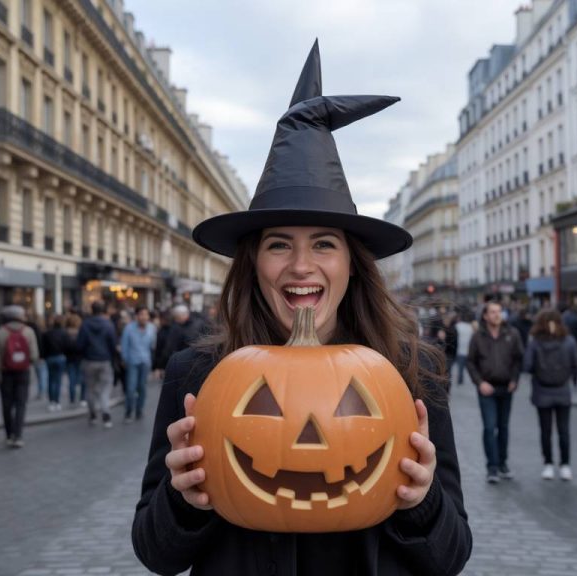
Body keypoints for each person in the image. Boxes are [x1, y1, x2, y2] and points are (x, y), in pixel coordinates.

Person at [132, 41, 472, 575]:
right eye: (278, 244)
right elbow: (155, 553)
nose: (300, 265)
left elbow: (450, 558)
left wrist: (422, 500)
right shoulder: (196, 376)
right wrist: (182, 499)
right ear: (254, 264)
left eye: (323, 244)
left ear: (352, 263)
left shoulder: (412, 373)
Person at [466, 300, 523, 484]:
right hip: (487, 388)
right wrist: (480, 382)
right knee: (490, 428)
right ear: (485, 315)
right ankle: (492, 466)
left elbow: (518, 359)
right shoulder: (478, 337)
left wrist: (515, 379)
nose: (496, 315)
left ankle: (503, 463)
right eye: (492, 312)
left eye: (499, 311)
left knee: (503, 427)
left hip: (506, 387)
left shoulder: (512, 334)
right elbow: (470, 362)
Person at [523, 310, 577, 481]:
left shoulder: (535, 343)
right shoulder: (569, 341)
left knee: (545, 430)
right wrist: (572, 378)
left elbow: (527, 366)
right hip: (563, 389)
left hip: (542, 390)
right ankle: (565, 465)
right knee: (564, 431)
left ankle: (548, 464)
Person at [0, 305, 39, 448]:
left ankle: (9, 435)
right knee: (21, 404)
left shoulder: (0, 332)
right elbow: (34, 355)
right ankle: (18, 435)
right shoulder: (28, 331)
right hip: (23, 372)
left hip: (6, 373)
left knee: (6, 405)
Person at [77, 300, 118, 428]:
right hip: (104, 360)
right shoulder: (108, 325)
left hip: (89, 360)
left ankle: (93, 414)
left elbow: (80, 344)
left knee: (90, 388)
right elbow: (113, 344)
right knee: (105, 388)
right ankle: (105, 412)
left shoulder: (85, 324)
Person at [120, 306, 156, 423]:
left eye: (146, 315)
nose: (144, 317)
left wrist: (153, 364)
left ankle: (139, 410)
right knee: (131, 388)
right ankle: (128, 411)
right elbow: (124, 346)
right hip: (132, 361)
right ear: (137, 316)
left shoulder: (151, 328)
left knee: (142, 387)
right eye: (141, 314)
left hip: (145, 361)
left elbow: (153, 346)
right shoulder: (129, 328)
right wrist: (124, 359)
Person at [42, 315, 69, 411]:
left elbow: (43, 347)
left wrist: (43, 357)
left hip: (50, 358)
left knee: (51, 380)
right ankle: (57, 401)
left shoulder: (47, 333)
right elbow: (67, 346)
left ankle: (52, 401)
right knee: (58, 380)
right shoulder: (63, 333)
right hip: (60, 357)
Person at [64, 313, 85, 407]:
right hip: (80, 357)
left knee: (71, 380)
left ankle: (72, 399)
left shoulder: (65, 333)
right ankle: (82, 398)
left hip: (70, 358)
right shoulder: (82, 332)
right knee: (82, 379)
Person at [454, 312, 473, 386]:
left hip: (459, 349)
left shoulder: (458, 326)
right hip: (467, 350)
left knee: (460, 366)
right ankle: (461, 379)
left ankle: (460, 379)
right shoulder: (470, 327)